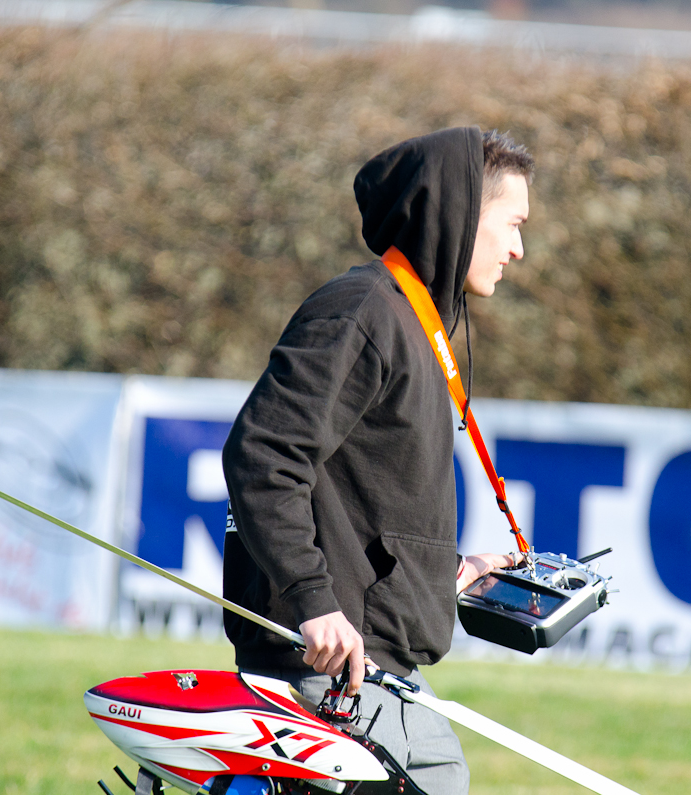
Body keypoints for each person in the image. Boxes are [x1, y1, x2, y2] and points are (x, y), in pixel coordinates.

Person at [222, 126, 534, 794]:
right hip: (328, 669)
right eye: (512, 224)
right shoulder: (362, 311)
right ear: (462, 214)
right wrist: (312, 600)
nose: (518, 248)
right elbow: (262, 454)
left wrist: (452, 572)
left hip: (384, 671)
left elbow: (362, 506)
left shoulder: (411, 324)